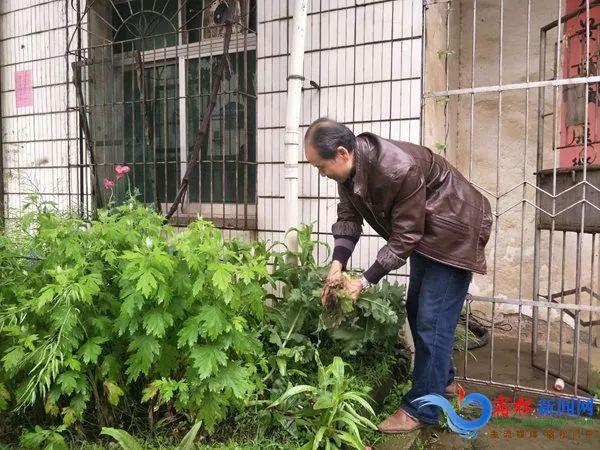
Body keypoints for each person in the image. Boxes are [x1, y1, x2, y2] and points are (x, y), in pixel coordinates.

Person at [304, 118, 493, 433]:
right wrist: (336, 266)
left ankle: (421, 410)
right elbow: (348, 219)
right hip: (429, 234)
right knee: (418, 310)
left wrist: (363, 281)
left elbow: (405, 236)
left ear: (341, 153)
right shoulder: (349, 174)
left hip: (455, 232)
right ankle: (441, 383)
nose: (320, 174)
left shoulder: (397, 168)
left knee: (433, 320)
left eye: (320, 167)